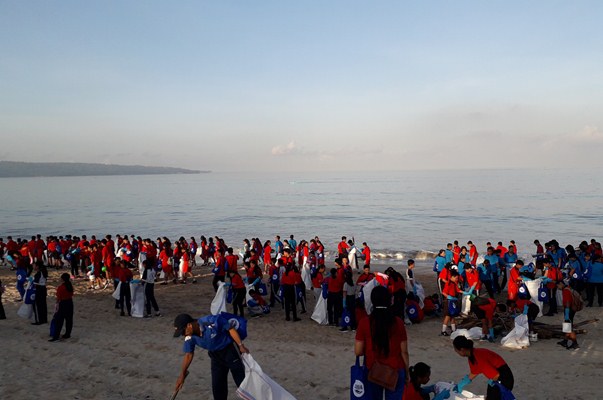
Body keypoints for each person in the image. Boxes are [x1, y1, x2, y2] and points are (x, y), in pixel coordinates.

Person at [172, 313, 249, 400]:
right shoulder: (189, 337)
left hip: (230, 351)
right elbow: (188, 355)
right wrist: (182, 375)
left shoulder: (212, 321)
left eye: (183, 332)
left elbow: (230, 329)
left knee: (242, 383)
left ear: (189, 325)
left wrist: (241, 345)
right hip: (215, 356)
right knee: (218, 387)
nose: (183, 335)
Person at [355, 285, 410, 400]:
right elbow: (404, 351)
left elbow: (358, 351)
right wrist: (406, 372)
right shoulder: (398, 322)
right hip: (395, 369)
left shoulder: (365, 322)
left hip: (373, 369)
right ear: (389, 300)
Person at [557, 281, 582, 350]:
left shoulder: (565, 291)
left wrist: (567, 313)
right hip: (571, 309)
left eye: (558, 286)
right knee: (566, 325)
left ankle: (575, 343)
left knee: (569, 326)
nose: (557, 287)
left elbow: (567, 302)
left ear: (561, 284)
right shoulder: (568, 288)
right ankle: (565, 341)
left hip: (569, 310)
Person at [49, 273, 74, 342]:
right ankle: (67, 334)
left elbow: (58, 297)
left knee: (59, 321)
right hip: (69, 303)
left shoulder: (61, 287)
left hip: (63, 303)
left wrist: (57, 304)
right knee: (69, 320)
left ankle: (56, 337)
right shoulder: (70, 286)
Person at [32, 261, 48, 325]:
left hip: (39, 289)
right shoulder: (44, 272)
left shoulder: (39, 273)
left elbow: (35, 284)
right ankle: (44, 319)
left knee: (39, 305)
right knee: (43, 305)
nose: (33, 266)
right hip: (43, 288)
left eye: (34, 265)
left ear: (37, 266)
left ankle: (40, 320)